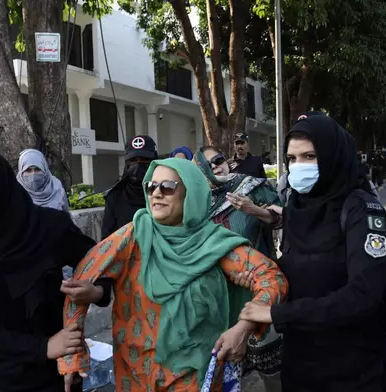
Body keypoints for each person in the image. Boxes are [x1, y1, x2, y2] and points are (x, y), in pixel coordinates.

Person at [58, 158, 288, 392]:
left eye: (167, 187)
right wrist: (72, 355)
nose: (156, 193)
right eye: (151, 186)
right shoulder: (133, 236)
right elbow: (80, 281)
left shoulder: (214, 244)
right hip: (134, 375)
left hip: (193, 377)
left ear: (191, 193)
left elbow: (272, 278)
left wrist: (244, 326)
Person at [239, 115, 386, 392]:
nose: (298, 167)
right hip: (300, 361)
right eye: (292, 159)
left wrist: (278, 314)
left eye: (309, 156)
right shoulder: (299, 207)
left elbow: (362, 296)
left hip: (352, 367)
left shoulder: (362, 211)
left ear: (333, 155)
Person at [0, 142, 112, 392]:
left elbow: (101, 261)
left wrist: (97, 292)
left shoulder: (49, 226)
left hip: (54, 377)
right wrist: (42, 347)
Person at [194, 147, 284, 388]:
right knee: (230, 369)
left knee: (271, 373)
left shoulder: (251, 187)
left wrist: (252, 210)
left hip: (260, 286)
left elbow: (281, 219)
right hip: (221, 296)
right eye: (208, 165)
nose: (216, 167)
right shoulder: (196, 203)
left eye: (219, 160)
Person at [101, 135, 158, 239]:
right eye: (133, 160)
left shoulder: (164, 192)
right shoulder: (115, 196)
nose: (138, 165)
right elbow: (106, 241)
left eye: (145, 160)